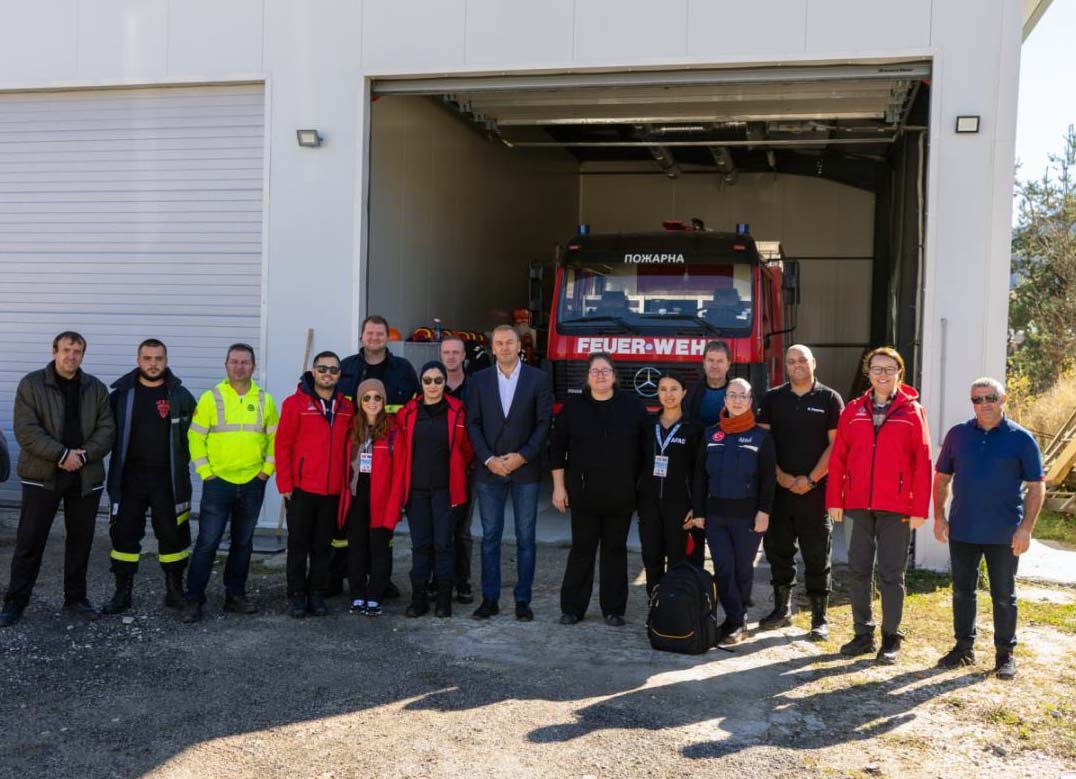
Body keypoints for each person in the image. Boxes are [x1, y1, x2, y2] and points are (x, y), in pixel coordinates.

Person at [0, 332, 115, 628]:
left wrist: (83, 456)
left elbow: (107, 429)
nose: (71, 356)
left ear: (83, 355)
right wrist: (62, 454)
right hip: (43, 475)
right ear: (54, 351)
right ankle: (15, 602)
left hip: (85, 475)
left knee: (80, 541)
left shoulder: (96, 388)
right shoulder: (32, 384)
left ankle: (76, 598)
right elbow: (26, 430)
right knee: (30, 541)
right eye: (66, 350)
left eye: (77, 351)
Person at [933, 377, 1044, 679]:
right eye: (977, 399)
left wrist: (1026, 529)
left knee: (1004, 595)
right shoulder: (958, 435)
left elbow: (1036, 488)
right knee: (962, 592)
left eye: (990, 398)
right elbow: (942, 479)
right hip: (963, 530)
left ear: (1003, 399)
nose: (984, 405)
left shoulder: (1021, 439)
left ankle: (1005, 654)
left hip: (1004, 534)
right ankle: (963, 648)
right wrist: (939, 517)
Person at [826, 346, 931, 664]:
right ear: (868, 373)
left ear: (900, 373)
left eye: (889, 369)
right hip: (856, 504)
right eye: (876, 369)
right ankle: (862, 634)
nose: (882, 374)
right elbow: (839, 457)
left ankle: (891, 637)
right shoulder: (853, 410)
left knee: (891, 573)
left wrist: (918, 509)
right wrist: (835, 499)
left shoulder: (913, 411)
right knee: (857, 570)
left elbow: (922, 462)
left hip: (896, 508)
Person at [181, 344, 278, 623]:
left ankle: (235, 595)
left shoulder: (264, 400)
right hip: (218, 483)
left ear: (253, 367)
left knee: (243, 542)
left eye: (245, 362)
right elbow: (195, 437)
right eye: (234, 362)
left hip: (252, 482)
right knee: (207, 542)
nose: (239, 367)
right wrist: (205, 472)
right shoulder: (211, 398)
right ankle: (194, 599)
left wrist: (266, 471)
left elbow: (274, 439)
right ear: (226, 365)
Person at [551, 352, 649, 627]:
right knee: (581, 550)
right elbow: (557, 450)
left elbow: (646, 451)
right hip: (583, 494)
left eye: (605, 371)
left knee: (614, 552)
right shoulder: (574, 407)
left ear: (614, 376)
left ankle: (614, 609)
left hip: (621, 494)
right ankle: (572, 608)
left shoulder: (632, 406)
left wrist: (642, 490)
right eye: (595, 371)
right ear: (587, 377)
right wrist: (559, 488)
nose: (600, 376)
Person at [101, 339, 197, 616]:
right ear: (138, 359)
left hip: (168, 479)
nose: (153, 364)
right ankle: (122, 592)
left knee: (174, 535)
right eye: (147, 358)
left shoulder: (180, 395)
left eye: (158, 358)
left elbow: (196, 436)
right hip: (129, 478)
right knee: (124, 535)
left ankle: (174, 590)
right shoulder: (121, 394)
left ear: (166, 360)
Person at [466, 325, 554, 621]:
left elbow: (544, 423)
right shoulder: (478, 380)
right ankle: (489, 599)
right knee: (490, 536)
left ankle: (522, 600)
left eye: (510, 342)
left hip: (524, 471)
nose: (504, 347)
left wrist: (523, 456)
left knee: (525, 538)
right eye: (499, 343)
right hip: (489, 470)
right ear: (492, 348)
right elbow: (472, 423)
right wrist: (489, 459)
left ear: (520, 346)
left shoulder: (538, 379)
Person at [757, 345, 844, 639]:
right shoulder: (772, 398)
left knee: (818, 557)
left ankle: (819, 618)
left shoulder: (830, 399)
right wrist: (780, 477)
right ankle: (782, 611)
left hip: (815, 493)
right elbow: (763, 443)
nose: (797, 365)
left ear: (813, 363)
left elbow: (836, 446)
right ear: (786, 365)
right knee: (779, 553)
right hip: (779, 493)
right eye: (791, 360)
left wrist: (810, 479)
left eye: (802, 360)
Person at [334, 314, 419, 599]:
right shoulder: (346, 368)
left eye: (380, 334)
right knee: (350, 529)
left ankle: (381, 581)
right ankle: (344, 579)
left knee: (384, 528)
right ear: (361, 337)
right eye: (369, 334)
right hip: (355, 450)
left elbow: (412, 407)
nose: (374, 338)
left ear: (388, 337)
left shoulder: (403, 369)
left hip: (389, 450)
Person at [692, 378, 776, 645]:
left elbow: (768, 480)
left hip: (748, 516)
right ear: (724, 400)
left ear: (751, 401)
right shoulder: (710, 434)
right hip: (716, 515)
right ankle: (735, 619)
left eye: (743, 396)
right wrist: (698, 511)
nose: (737, 400)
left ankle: (737, 621)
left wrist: (764, 512)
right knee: (723, 566)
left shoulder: (761, 437)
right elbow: (698, 478)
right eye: (732, 395)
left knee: (742, 568)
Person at [275, 351, 354, 619]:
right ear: (313, 371)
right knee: (298, 545)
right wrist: (285, 482)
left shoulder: (346, 407)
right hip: (302, 488)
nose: (328, 374)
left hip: (332, 490)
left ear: (339, 375)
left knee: (323, 546)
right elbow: (282, 444)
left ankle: (317, 594)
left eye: (333, 370)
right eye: (323, 369)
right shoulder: (294, 403)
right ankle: (296, 595)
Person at [396, 361, 474, 618]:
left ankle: (443, 600)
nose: (432, 386)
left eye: (438, 380)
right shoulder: (407, 413)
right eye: (427, 381)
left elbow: (467, 450)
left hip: (446, 491)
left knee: (444, 545)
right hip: (416, 491)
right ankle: (419, 599)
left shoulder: (458, 410)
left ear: (445, 382)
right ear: (421, 383)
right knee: (421, 546)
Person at [338, 379, 407, 616]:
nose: (372, 402)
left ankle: (375, 595)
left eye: (377, 397)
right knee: (356, 548)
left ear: (384, 401)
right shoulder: (351, 429)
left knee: (380, 549)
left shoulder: (393, 431)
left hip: (382, 500)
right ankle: (357, 594)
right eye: (366, 397)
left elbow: (399, 473)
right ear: (359, 401)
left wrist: (395, 505)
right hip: (356, 499)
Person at [636, 372, 703, 596]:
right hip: (649, 504)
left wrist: (697, 506)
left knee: (678, 559)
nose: (668, 394)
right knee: (651, 557)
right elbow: (637, 463)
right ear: (658, 393)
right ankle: (654, 603)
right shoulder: (647, 424)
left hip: (680, 506)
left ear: (684, 392)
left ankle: (675, 606)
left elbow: (700, 472)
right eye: (663, 389)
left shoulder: (694, 427)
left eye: (674, 389)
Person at [432, 335, 475, 604]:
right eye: (446, 352)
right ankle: (438, 580)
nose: (450, 357)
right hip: (434, 470)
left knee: (462, 530)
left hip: (467, 468)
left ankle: (462, 582)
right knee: (437, 529)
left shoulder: (476, 387)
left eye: (455, 352)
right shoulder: (432, 384)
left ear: (463, 356)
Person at [682, 339, 732, 563]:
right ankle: (696, 582)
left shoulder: (739, 392)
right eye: (710, 360)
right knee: (696, 529)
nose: (715, 365)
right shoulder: (690, 393)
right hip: (695, 467)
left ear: (729, 364)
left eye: (720, 361)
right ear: (703, 363)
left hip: (728, 469)